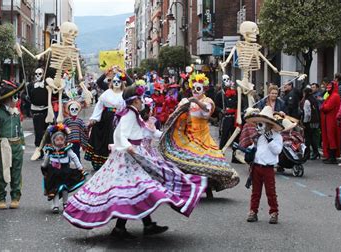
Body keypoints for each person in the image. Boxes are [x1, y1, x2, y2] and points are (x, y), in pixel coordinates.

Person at [64, 85, 207, 239]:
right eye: (140, 99)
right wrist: (128, 147)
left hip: (132, 155)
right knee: (137, 189)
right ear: (135, 100)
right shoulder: (130, 114)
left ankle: (139, 226)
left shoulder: (132, 113)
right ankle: (137, 226)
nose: (142, 102)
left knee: (135, 190)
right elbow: (120, 134)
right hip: (128, 157)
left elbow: (134, 132)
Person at [159, 73, 239, 195]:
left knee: (204, 161)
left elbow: (207, 112)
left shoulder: (207, 101)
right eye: (193, 88)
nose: (195, 91)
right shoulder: (186, 101)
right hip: (188, 134)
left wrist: (196, 101)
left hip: (202, 135)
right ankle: (189, 188)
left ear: (204, 89)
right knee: (188, 161)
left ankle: (207, 189)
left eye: (198, 89)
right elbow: (177, 115)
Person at [0, 80, 25, 209]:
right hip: (2, 145)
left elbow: (20, 129)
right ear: (8, 98)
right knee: (1, 173)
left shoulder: (16, 112)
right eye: (15, 97)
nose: (17, 100)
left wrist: (22, 143)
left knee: (16, 172)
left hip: (16, 145)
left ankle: (15, 197)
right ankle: (1, 198)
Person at [244, 106, 284, 224]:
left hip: (268, 168)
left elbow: (277, 151)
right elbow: (255, 149)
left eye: (261, 124)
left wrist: (270, 139)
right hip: (257, 166)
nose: (258, 127)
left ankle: (274, 212)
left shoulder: (277, 136)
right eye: (257, 124)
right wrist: (249, 152)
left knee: (270, 192)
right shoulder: (259, 137)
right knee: (255, 192)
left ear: (269, 125)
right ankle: (253, 211)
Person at [41, 123, 85, 213]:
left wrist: (79, 167)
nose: (60, 141)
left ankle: (65, 203)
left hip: (65, 170)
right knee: (55, 189)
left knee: (65, 188)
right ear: (53, 140)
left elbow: (74, 157)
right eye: (57, 140)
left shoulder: (67, 149)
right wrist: (44, 166)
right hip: (53, 172)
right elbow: (46, 159)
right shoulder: (50, 149)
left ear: (64, 140)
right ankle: (55, 205)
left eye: (61, 139)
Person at [85, 74, 124, 170]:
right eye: (114, 81)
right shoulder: (107, 93)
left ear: (121, 83)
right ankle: (101, 162)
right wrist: (94, 118)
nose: (116, 83)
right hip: (105, 118)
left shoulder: (124, 93)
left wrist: (123, 74)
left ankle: (116, 162)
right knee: (102, 139)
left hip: (119, 119)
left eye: (118, 81)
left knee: (116, 140)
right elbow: (99, 105)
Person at [321, 81, 341, 164]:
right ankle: (330, 156)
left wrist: (323, 105)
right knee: (329, 138)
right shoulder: (332, 95)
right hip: (329, 119)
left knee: (331, 138)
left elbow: (326, 107)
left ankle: (332, 157)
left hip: (331, 120)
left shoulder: (334, 96)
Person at [300, 87, 320, 160]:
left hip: (309, 122)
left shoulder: (307, 101)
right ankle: (315, 152)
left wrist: (304, 122)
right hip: (315, 121)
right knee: (314, 137)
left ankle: (308, 153)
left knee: (308, 139)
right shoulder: (314, 99)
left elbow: (307, 113)